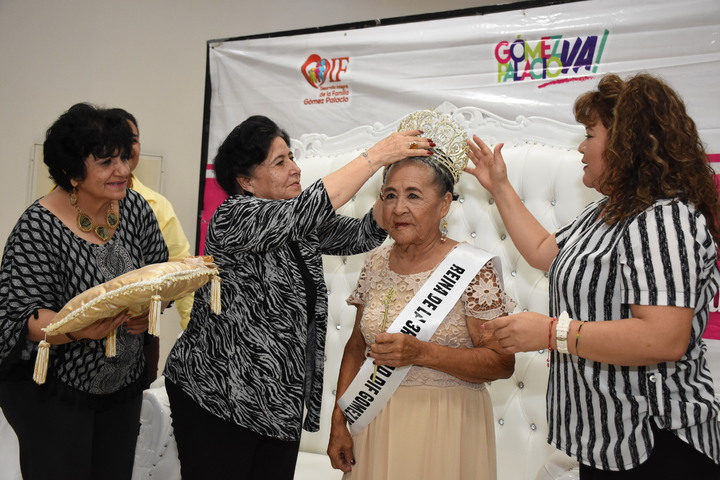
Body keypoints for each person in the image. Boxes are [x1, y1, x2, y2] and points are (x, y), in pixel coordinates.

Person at [466, 73, 720, 478]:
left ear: (626, 142)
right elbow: (542, 251)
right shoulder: (605, 212)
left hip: (656, 443)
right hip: (605, 441)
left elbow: (663, 337)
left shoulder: (663, 219)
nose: (581, 148)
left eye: (589, 134)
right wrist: (499, 186)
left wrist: (551, 333)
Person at [162, 115, 432, 480]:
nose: (295, 168)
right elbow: (310, 207)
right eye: (280, 162)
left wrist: (394, 189)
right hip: (217, 394)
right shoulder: (234, 216)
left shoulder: (298, 221)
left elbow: (362, 235)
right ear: (245, 181)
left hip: (277, 398)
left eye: (291, 157)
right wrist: (378, 155)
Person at [327, 110, 516, 480]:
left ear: (444, 204)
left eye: (414, 195)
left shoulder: (473, 269)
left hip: (446, 428)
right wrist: (339, 420)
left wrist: (421, 353)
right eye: (390, 195)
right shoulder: (375, 262)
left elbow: (501, 363)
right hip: (374, 423)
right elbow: (355, 347)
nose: (399, 208)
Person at [0, 103, 168, 479]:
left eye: (124, 157)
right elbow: (23, 315)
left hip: (120, 386)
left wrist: (149, 309)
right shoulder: (38, 227)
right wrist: (77, 328)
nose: (123, 170)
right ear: (73, 170)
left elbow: (160, 274)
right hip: (55, 394)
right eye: (107, 161)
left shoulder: (135, 208)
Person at [108, 108, 193, 387]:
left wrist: (190, 332)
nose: (127, 148)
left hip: (139, 338)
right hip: (79, 342)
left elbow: (180, 270)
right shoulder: (63, 201)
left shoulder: (155, 205)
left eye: (133, 139)